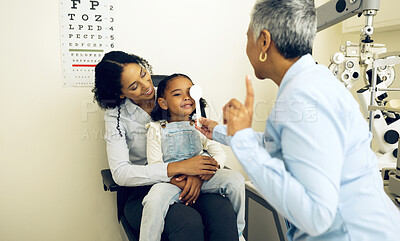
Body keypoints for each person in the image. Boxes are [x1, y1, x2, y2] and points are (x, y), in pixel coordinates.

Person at [196, 0, 400, 240]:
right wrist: (225, 132)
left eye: (247, 37)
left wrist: (242, 140)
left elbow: (315, 215)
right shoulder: (306, 83)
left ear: (264, 41)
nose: (246, 47)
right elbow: (285, 145)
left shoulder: (302, 97)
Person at [93, 51, 240, 241]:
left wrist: (196, 175)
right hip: (145, 190)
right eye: (134, 86)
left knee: (223, 211)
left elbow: (208, 143)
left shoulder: (178, 93)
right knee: (187, 221)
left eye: (143, 74)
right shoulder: (116, 117)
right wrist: (176, 170)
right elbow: (120, 173)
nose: (146, 86)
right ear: (120, 93)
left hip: (197, 180)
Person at [139, 73, 245, 241]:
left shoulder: (200, 124)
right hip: (172, 182)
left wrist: (209, 171)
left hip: (202, 178)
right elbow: (155, 165)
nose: (186, 98)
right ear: (163, 103)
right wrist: (183, 180)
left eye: (190, 92)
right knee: (153, 200)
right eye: (177, 94)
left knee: (237, 180)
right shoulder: (155, 129)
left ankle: (238, 234)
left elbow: (218, 153)